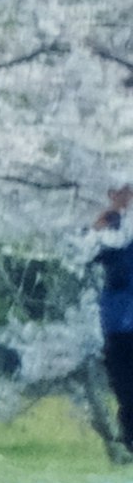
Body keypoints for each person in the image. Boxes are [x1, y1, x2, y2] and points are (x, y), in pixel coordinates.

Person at [94, 190, 133, 451]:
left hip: (118, 326)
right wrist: (114, 210)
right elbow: (85, 245)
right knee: (127, 395)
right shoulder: (113, 225)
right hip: (119, 329)